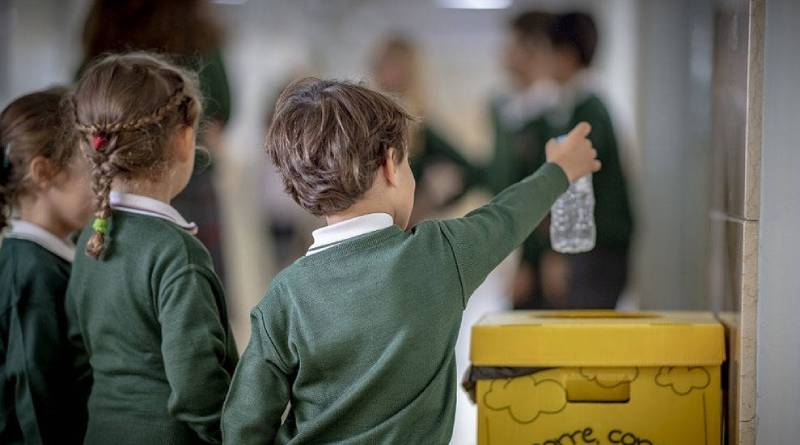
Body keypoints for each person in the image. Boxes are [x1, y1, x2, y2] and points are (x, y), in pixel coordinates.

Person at [222, 78, 599, 443]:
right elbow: (507, 216)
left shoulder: (283, 297)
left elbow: (244, 424)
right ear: (390, 165)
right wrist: (560, 169)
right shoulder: (440, 254)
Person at [66, 53, 238, 444]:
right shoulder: (177, 254)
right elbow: (199, 389)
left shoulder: (90, 240)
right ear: (183, 140)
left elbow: (79, 352)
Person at [80, 0, 233, 286]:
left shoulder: (101, 36)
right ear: (185, 137)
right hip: (192, 185)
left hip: (111, 189)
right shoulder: (198, 34)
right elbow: (222, 112)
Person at [0, 87, 94, 444]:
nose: (104, 185)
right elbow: (36, 398)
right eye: (91, 169)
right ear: (44, 172)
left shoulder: (49, 258)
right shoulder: (30, 272)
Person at [543, 12, 634, 308]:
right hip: (598, 246)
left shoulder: (587, 111)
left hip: (598, 249)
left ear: (566, 56)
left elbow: (572, 183)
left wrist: (559, 254)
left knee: (582, 341)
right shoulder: (581, 105)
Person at [488, 11, 562, 308]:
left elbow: (547, 193)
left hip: (542, 258)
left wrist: (534, 260)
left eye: (513, 43)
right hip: (515, 242)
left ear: (534, 48)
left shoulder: (552, 112)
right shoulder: (514, 110)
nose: (505, 51)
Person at [370, 35, 483, 223]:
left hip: (401, 223)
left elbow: (469, 170)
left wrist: (429, 200)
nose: (384, 72)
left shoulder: (419, 125)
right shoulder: (366, 120)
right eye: (381, 65)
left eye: (393, 66)